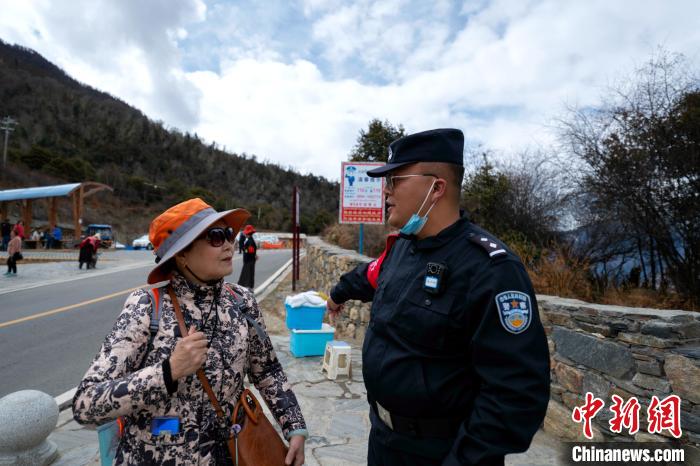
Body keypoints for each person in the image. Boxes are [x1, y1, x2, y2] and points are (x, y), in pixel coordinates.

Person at [326, 129, 550, 465]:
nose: (386, 191)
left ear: (437, 188)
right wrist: (337, 294)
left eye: (396, 179)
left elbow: (516, 395)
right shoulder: (403, 247)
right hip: (384, 441)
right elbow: (370, 276)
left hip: (439, 452)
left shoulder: (490, 270)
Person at [72, 198, 307, 465]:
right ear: (181, 254)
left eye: (228, 234)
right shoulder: (147, 307)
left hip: (233, 454)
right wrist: (167, 372)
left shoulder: (242, 302)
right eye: (215, 237)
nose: (229, 244)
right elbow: (85, 405)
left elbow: (266, 370)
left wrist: (294, 426)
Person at [237, 224, 257, 289]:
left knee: (248, 274)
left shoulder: (250, 241)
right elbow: (251, 251)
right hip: (250, 260)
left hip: (249, 260)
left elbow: (250, 251)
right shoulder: (249, 240)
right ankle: (247, 285)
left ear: (247, 233)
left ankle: (247, 286)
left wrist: (244, 250)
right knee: (248, 273)